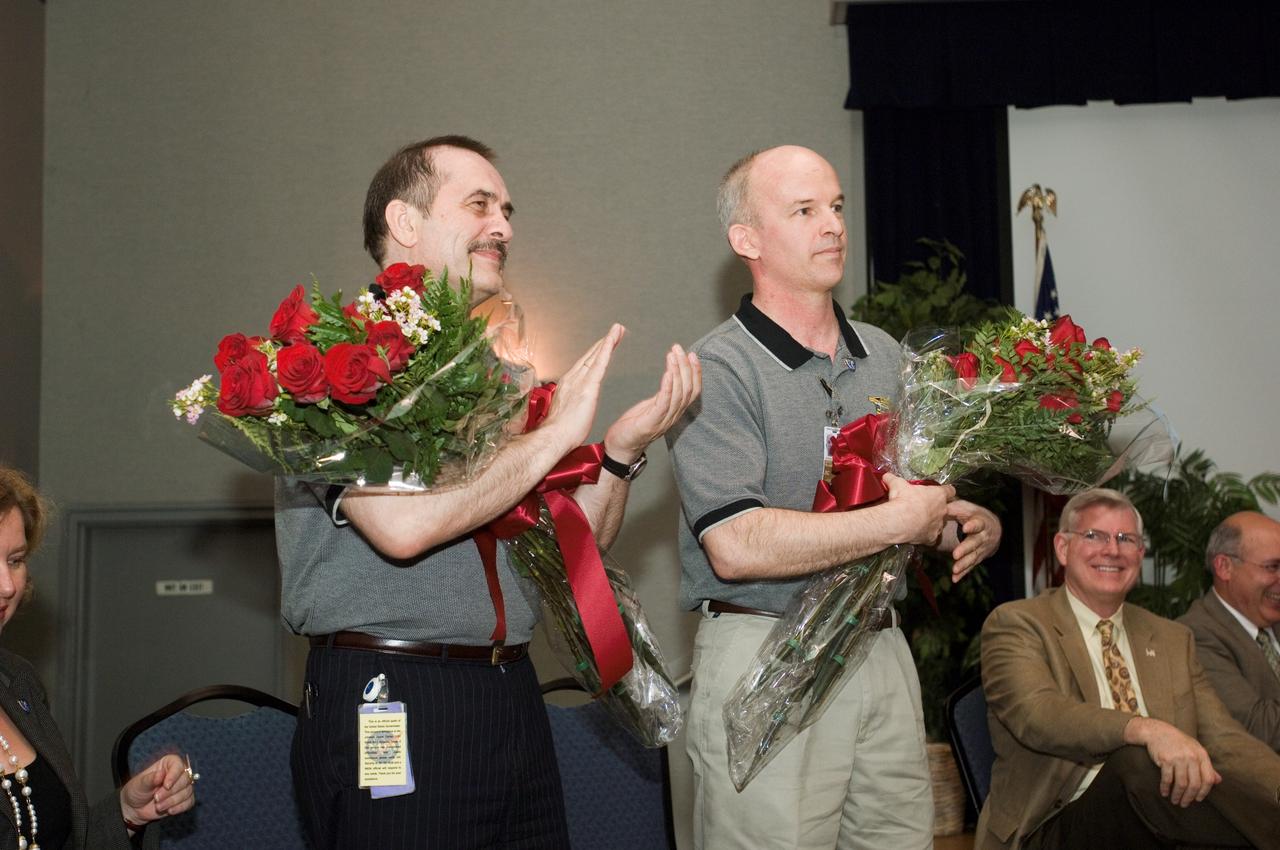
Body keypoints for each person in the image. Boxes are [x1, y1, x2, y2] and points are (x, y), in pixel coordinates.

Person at [275, 135, 701, 850]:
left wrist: (621, 454)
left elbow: (568, 551)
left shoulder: (500, 377)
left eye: (507, 209)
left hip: (508, 694)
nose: (503, 226)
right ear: (405, 223)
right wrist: (554, 435)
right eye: (479, 204)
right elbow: (404, 531)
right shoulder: (326, 359)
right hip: (392, 691)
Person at [666, 145, 1001, 850]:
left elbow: (903, 507)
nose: (834, 225)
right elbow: (734, 545)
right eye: (805, 210)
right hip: (765, 647)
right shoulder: (719, 368)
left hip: (879, 648)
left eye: (838, 206)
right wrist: (898, 519)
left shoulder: (885, 354)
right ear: (747, 240)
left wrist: (952, 523)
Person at [977, 488, 1280, 850]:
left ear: (1140, 553)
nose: (1112, 549)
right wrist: (1144, 729)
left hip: (1167, 818)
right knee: (1136, 762)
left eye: (1126, 539)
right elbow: (1038, 715)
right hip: (1055, 824)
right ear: (1062, 548)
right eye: (1094, 536)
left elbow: (1226, 741)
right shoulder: (1018, 623)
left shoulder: (1171, 638)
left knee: (1208, 778)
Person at [0, 466, 196, 849]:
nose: (7, 586)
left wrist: (128, 812)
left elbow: (64, 838)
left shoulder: (17, 680)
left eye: (15, 560)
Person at [1178, 511, 1280, 750]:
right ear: (1225, 567)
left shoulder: (1271, 618)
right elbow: (1260, 728)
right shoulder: (1194, 635)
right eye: (1272, 566)